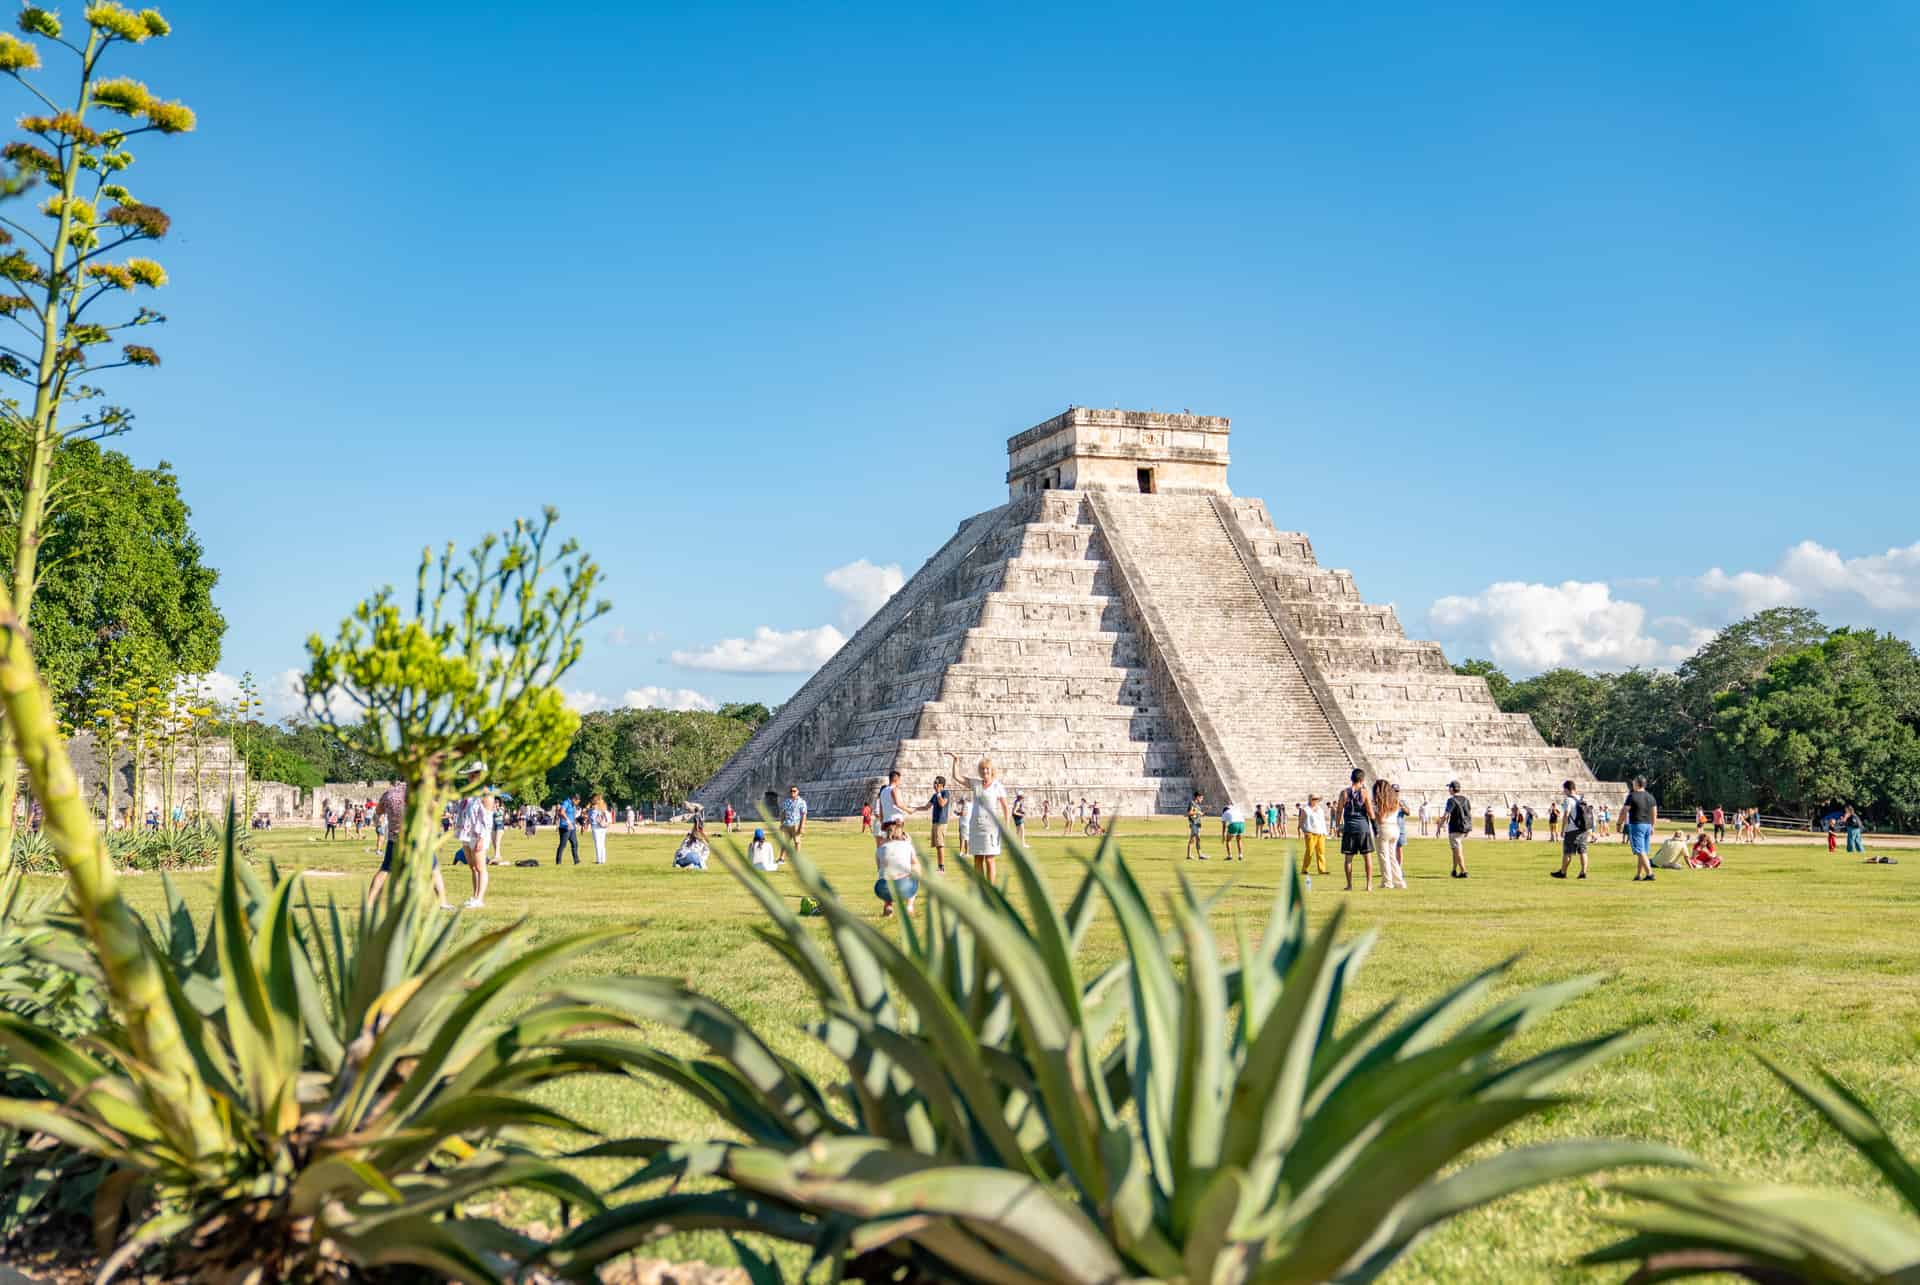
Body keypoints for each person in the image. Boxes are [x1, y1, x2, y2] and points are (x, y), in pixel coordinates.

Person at [366, 780, 452, 910]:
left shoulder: (388, 794)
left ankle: (369, 903)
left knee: (385, 871)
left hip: (395, 839)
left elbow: (378, 811)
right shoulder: (418, 792)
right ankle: (443, 902)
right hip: (417, 838)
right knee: (433, 870)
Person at [948, 751, 1010, 884]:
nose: (984, 771)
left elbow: (1005, 807)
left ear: (991, 770)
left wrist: (1007, 825)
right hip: (975, 825)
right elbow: (957, 777)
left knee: (989, 858)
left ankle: (991, 890)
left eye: (987, 768)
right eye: (982, 769)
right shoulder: (976, 783)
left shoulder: (997, 786)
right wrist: (956, 762)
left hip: (990, 827)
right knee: (977, 858)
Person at [452, 767, 493, 908]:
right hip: (466, 833)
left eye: (471, 774)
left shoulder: (486, 794)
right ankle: (474, 896)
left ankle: (480, 899)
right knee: (473, 867)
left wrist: (482, 837)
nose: (469, 777)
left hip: (478, 834)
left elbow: (487, 819)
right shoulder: (469, 792)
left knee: (481, 867)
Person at [1337, 768, 1376, 892]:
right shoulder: (1364, 793)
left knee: (1348, 858)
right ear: (1362, 780)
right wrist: (1374, 825)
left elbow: (1339, 810)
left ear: (1351, 778)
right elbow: (1370, 811)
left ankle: (1349, 885)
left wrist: (1338, 825)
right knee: (1367, 857)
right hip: (1363, 828)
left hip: (1349, 828)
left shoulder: (1344, 793)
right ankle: (1369, 885)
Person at [1552, 780, 1592, 881]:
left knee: (1568, 852)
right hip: (1583, 829)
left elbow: (1566, 814)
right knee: (1583, 851)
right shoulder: (1581, 799)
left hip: (1572, 830)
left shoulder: (1568, 800)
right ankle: (1583, 873)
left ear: (1566, 789)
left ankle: (1563, 872)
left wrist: (1563, 829)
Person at [1622, 776, 1659, 882]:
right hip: (1647, 825)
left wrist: (1619, 823)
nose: (1632, 783)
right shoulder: (1650, 797)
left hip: (1636, 825)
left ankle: (1650, 874)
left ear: (1637, 784)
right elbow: (1654, 813)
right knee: (1643, 852)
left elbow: (1624, 810)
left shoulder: (1632, 796)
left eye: (1633, 782)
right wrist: (1653, 826)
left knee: (1640, 851)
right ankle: (1638, 874)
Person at [1371, 779, 1405, 889]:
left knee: (1384, 857)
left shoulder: (1380, 801)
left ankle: (1387, 882)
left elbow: (1380, 819)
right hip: (1395, 828)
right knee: (1392, 857)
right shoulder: (1394, 800)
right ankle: (1399, 881)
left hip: (1384, 827)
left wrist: (1373, 813)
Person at [1443, 780, 1472, 878]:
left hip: (1455, 828)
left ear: (1451, 789)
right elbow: (1468, 812)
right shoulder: (1465, 799)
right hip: (1464, 827)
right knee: (1455, 850)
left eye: (1449, 788)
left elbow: (1446, 814)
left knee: (1458, 850)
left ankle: (1464, 871)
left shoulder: (1451, 800)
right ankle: (1454, 870)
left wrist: (1439, 826)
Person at [925, 775, 952, 873]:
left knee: (940, 845)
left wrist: (939, 793)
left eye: (936, 783)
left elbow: (942, 804)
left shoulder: (945, 793)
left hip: (941, 822)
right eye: (934, 782)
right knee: (937, 845)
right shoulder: (934, 795)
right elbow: (926, 807)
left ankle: (942, 868)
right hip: (935, 822)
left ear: (941, 785)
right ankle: (939, 866)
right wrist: (913, 809)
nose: (934, 784)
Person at [1300, 794, 1328, 875]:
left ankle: (1322, 870)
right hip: (1310, 833)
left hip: (1320, 833)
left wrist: (1325, 832)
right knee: (1309, 852)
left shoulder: (1320, 809)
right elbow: (1301, 822)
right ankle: (1304, 869)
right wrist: (1305, 831)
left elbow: (1322, 821)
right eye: (1314, 799)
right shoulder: (1305, 809)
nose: (1316, 800)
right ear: (1310, 799)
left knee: (1321, 852)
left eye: (1317, 799)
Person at [780, 785, 808, 854]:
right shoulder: (787, 801)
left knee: (797, 841)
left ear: (798, 792)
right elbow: (783, 813)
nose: (792, 792)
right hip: (787, 824)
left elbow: (804, 815)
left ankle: (797, 858)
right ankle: (781, 858)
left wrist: (802, 827)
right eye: (791, 791)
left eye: (794, 791)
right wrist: (782, 824)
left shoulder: (801, 802)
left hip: (796, 824)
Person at [554, 795, 580, 865]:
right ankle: (558, 861)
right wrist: (568, 821)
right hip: (565, 827)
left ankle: (576, 861)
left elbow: (572, 815)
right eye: (577, 802)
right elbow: (561, 812)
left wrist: (575, 823)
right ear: (574, 799)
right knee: (563, 845)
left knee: (575, 843)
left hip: (572, 827)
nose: (577, 803)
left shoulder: (573, 805)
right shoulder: (566, 803)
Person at [588, 793, 611, 864]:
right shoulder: (603, 806)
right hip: (603, 826)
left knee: (597, 844)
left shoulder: (594, 807)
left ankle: (599, 860)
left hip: (596, 826)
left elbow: (592, 818)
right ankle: (603, 860)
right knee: (602, 844)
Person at [1185, 790, 1208, 861]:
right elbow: (1189, 813)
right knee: (1197, 839)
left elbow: (1201, 814)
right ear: (1197, 797)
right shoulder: (1192, 803)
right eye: (1201, 798)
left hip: (1197, 824)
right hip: (1193, 823)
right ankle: (1200, 855)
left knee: (1193, 839)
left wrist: (1206, 811)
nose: (1202, 799)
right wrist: (1198, 812)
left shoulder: (1197, 805)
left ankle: (1189, 855)